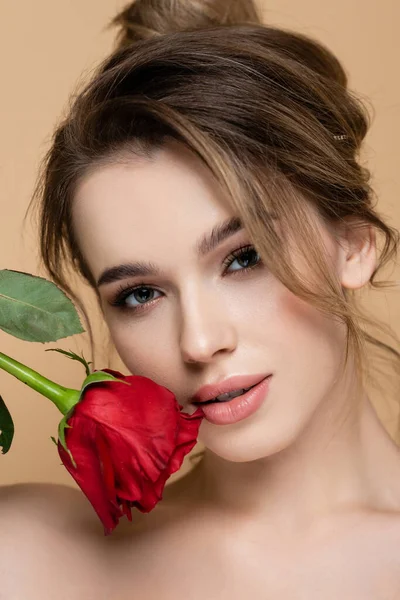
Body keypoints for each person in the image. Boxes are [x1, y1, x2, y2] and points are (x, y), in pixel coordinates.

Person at [2, 0, 400, 597]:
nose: (198, 341)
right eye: (140, 294)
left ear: (353, 245)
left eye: (244, 258)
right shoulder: (30, 557)